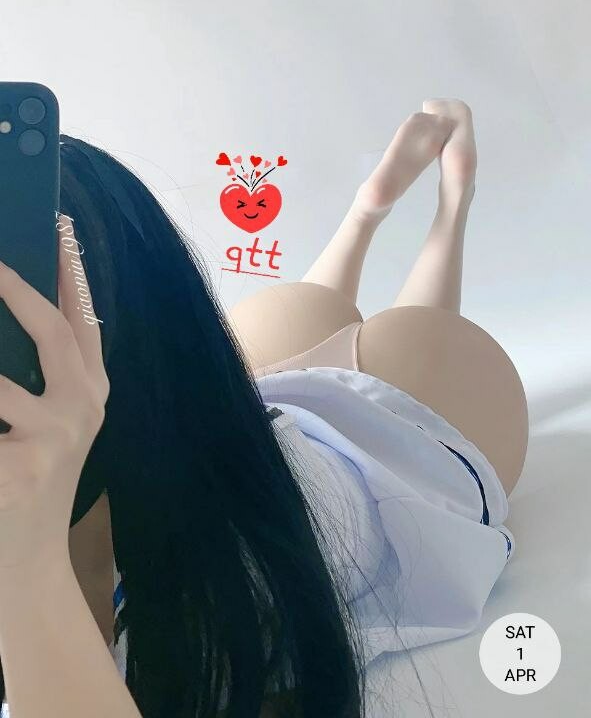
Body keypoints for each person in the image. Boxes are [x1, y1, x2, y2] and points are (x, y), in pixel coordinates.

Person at [0, 99, 529, 718]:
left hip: (385, 452)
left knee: (414, 332)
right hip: (251, 418)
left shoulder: (211, 597)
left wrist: (26, 557)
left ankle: (450, 204)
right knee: (350, 321)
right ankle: (368, 209)